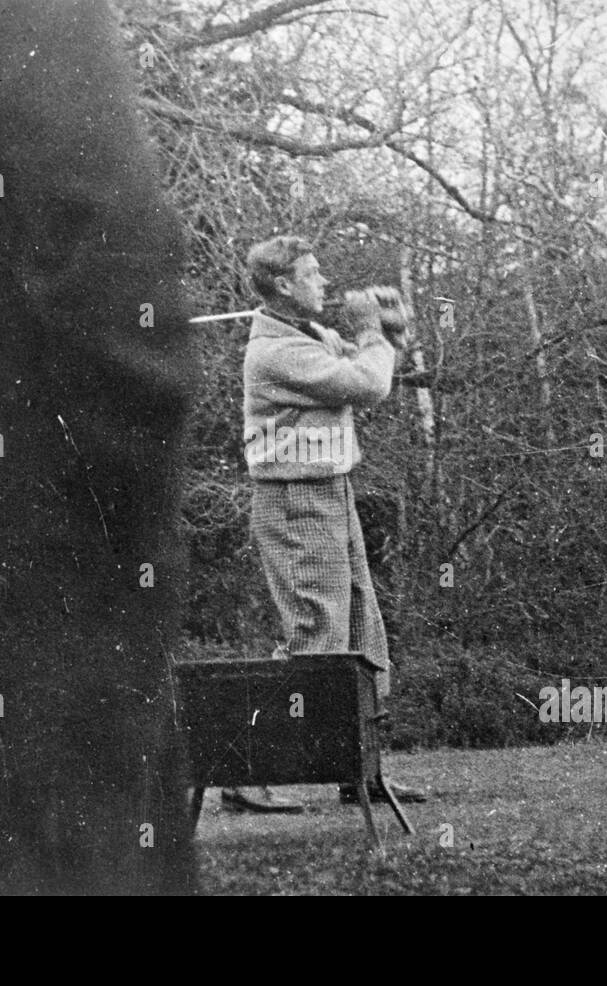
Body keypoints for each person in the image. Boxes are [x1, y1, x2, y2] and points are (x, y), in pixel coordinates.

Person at [220, 235, 427, 814]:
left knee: (360, 631)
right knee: (316, 635)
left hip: (330, 493)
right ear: (283, 285)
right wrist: (369, 333)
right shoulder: (276, 354)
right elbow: (368, 384)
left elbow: (375, 369)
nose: (325, 283)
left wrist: (390, 336)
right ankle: (241, 769)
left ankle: (358, 771)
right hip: (294, 500)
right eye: (313, 275)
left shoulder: (306, 337)